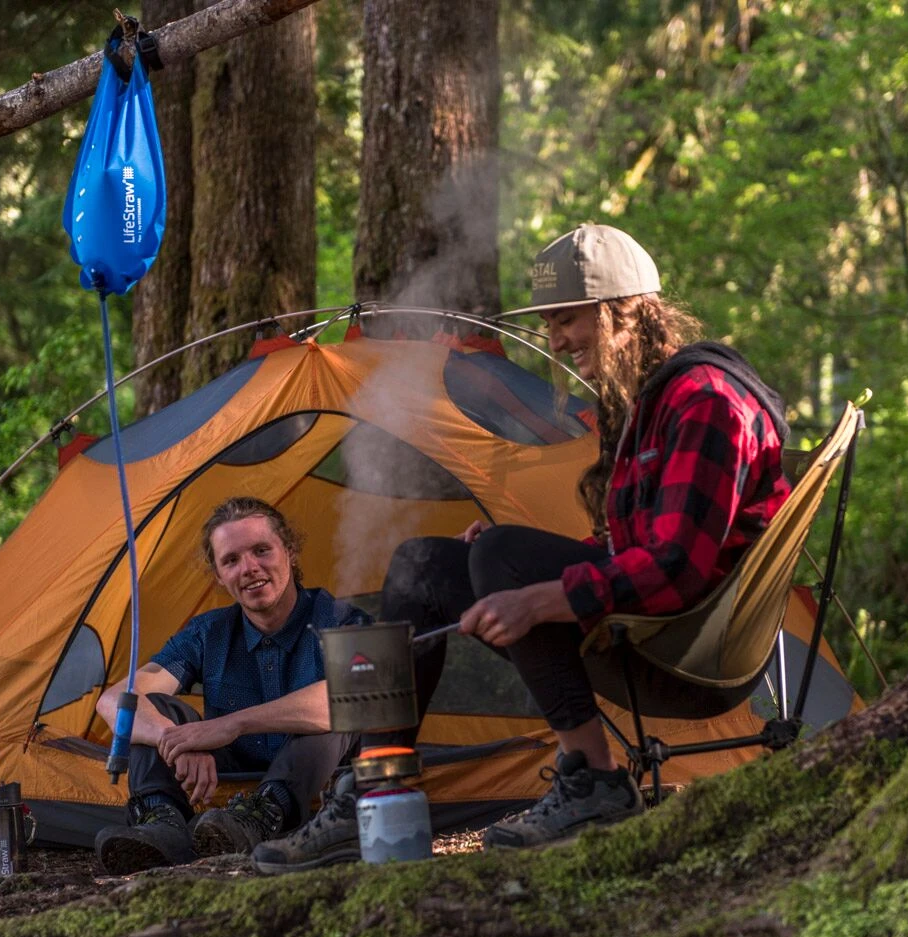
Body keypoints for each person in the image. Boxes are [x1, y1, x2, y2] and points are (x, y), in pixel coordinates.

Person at [250, 223, 791, 874]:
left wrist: (538, 593)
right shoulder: (651, 402)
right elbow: (631, 550)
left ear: (624, 311)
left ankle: (594, 778)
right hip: (654, 629)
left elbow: (677, 570)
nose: (555, 340)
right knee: (421, 566)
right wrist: (528, 571)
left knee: (501, 557)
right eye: (550, 324)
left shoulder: (704, 401)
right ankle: (372, 786)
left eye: (567, 319)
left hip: (691, 653)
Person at [92, 496, 368, 875]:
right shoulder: (208, 633)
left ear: (289, 551)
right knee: (152, 707)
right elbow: (113, 701)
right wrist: (176, 740)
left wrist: (231, 724)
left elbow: (359, 694)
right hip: (225, 780)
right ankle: (161, 824)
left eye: (261, 551)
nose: (249, 568)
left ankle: (261, 816)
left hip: (312, 775)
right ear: (219, 576)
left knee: (337, 707)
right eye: (231, 560)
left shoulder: (340, 620)